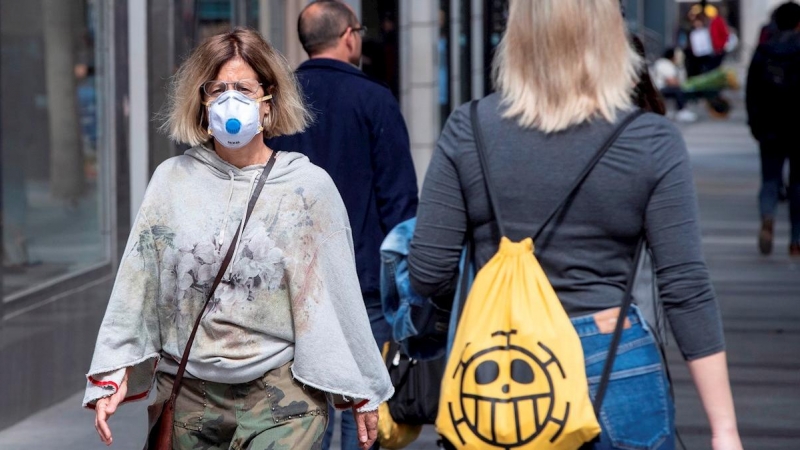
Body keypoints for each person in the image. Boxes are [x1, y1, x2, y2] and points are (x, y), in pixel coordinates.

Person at [407, 1, 743, 449]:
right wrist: (724, 429)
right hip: (613, 358)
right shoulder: (651, 140)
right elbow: (685, 287)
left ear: (516, 38)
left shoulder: (468, 129)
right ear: (610, 38)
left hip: (503, 365)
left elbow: (429, 272)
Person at [83, 27, 392, 450]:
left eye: (244, 88)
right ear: (201, 101)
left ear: (268, 101)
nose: (231, 99)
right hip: (189, 395)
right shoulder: (171, 182)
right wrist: (113, 373)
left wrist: (365, 389)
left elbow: (337, 295)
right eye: (218, 88)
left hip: (282, 399)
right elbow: (138, 285)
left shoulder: (307, 187)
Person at [266, 1, 418, 449]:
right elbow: (400, 204)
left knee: (304, 406)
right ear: (350, 35)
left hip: (289, 285)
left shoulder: (278, 103)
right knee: (361, 406)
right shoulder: (375, 99)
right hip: (362, 283)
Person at [746, 1, 800, 256]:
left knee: (769, 179)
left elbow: (751, 92)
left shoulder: (763, 51)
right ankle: (796, 239)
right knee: (798, 184)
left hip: (769, 128)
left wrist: (754, 123)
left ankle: (767, 217)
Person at [652, 47, 698, 123]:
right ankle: (681, 111)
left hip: (658, 88)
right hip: (660, 89)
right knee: (678, 90)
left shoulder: (661, 62)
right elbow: (671, 81)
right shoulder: (665, 64)